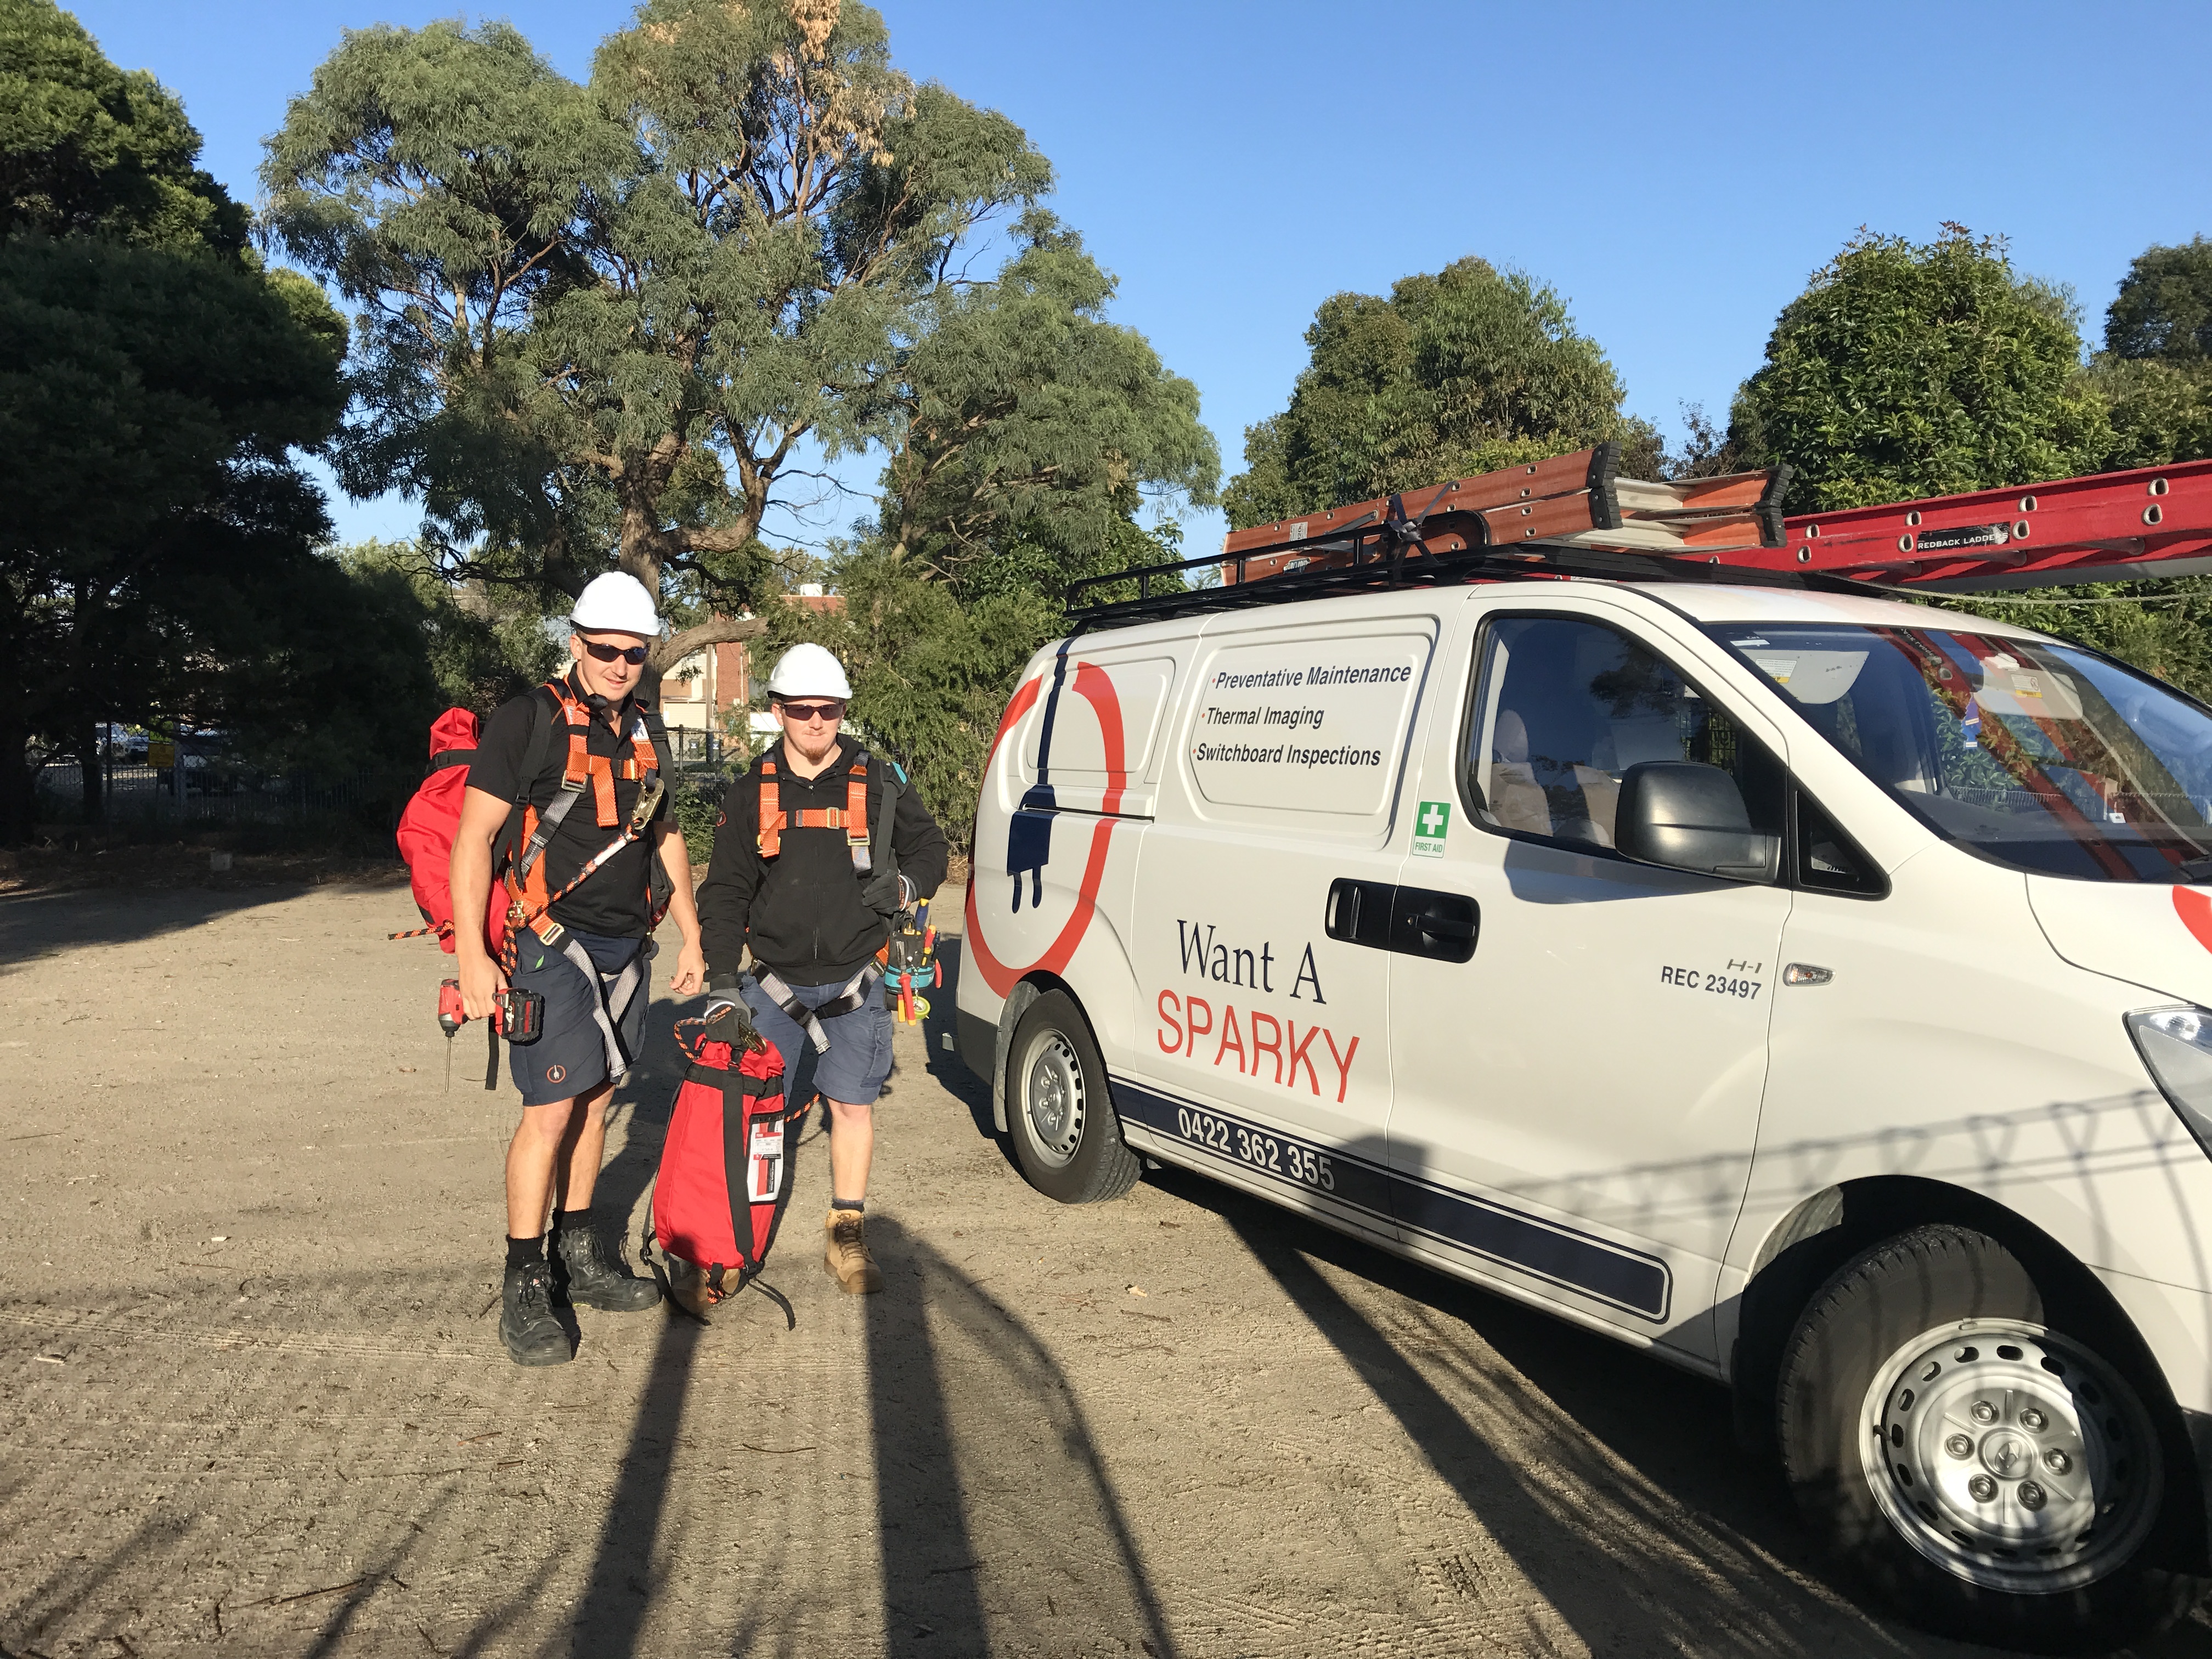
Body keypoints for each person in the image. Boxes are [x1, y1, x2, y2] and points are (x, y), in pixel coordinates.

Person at [449, 572, 708, 1366]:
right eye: (605, 650)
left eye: (635, 653)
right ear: (575, 642)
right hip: (548, 943)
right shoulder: (526, 721)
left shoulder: (646, 729)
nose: (621, 665)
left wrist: (693, 935)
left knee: (598, 1102)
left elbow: (664, 833)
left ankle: (581, 1253)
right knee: (551, 1112)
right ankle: (526, 1279)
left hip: (628, 946)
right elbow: (472, 841)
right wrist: (471, 957)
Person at [697, 643, 947, 1294]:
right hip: (771, 984)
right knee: (757, 1114)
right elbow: (724, 893)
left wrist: (905, 889)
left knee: (852, 1108)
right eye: (802, 710)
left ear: (842, 710)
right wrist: (723, 983)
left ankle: (846, 1234)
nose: (816, 722)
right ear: (778, 711)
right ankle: (732, 1242)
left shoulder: (878, 780)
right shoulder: (753, 790)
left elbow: (929, 847)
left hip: (854, 983)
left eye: (829, 710)